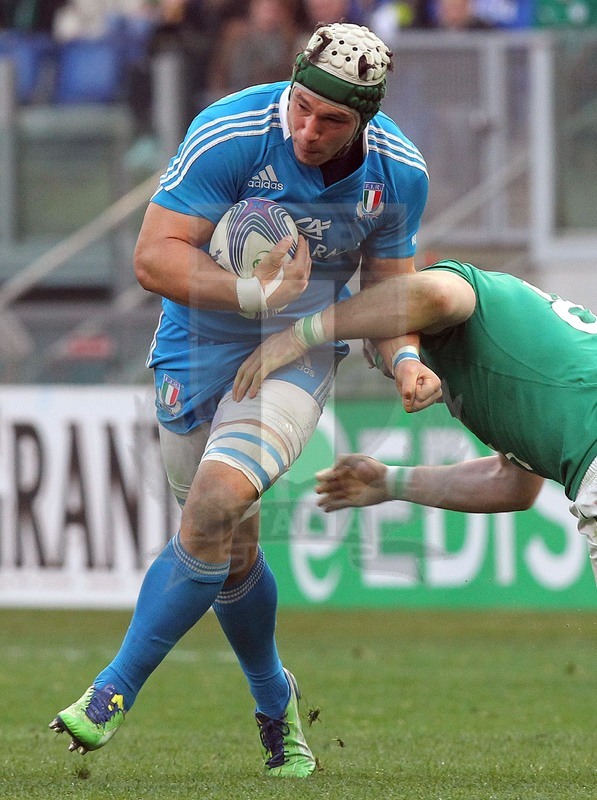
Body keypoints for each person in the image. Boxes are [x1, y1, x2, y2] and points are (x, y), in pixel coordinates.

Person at [49, 21, 435, 776]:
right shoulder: (229, 132)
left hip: (295, 355)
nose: (308, 131)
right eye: (301, 108)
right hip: (193, 352)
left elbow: (390, 296)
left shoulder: (399, 174)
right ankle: (275, 700)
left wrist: (407, 360)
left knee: (215, 503)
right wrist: (251, 293)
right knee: (231, 553)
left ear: (367, 118)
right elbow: (153, 257)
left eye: (331, 121)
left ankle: (110, 692)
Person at [232, 259, 597, 581]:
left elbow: (436, 295)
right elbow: (513, 485)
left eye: (372, 337)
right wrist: (389, 482)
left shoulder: (464, 293)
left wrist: (302, 335)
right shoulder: (481, 366)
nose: (373, 357)